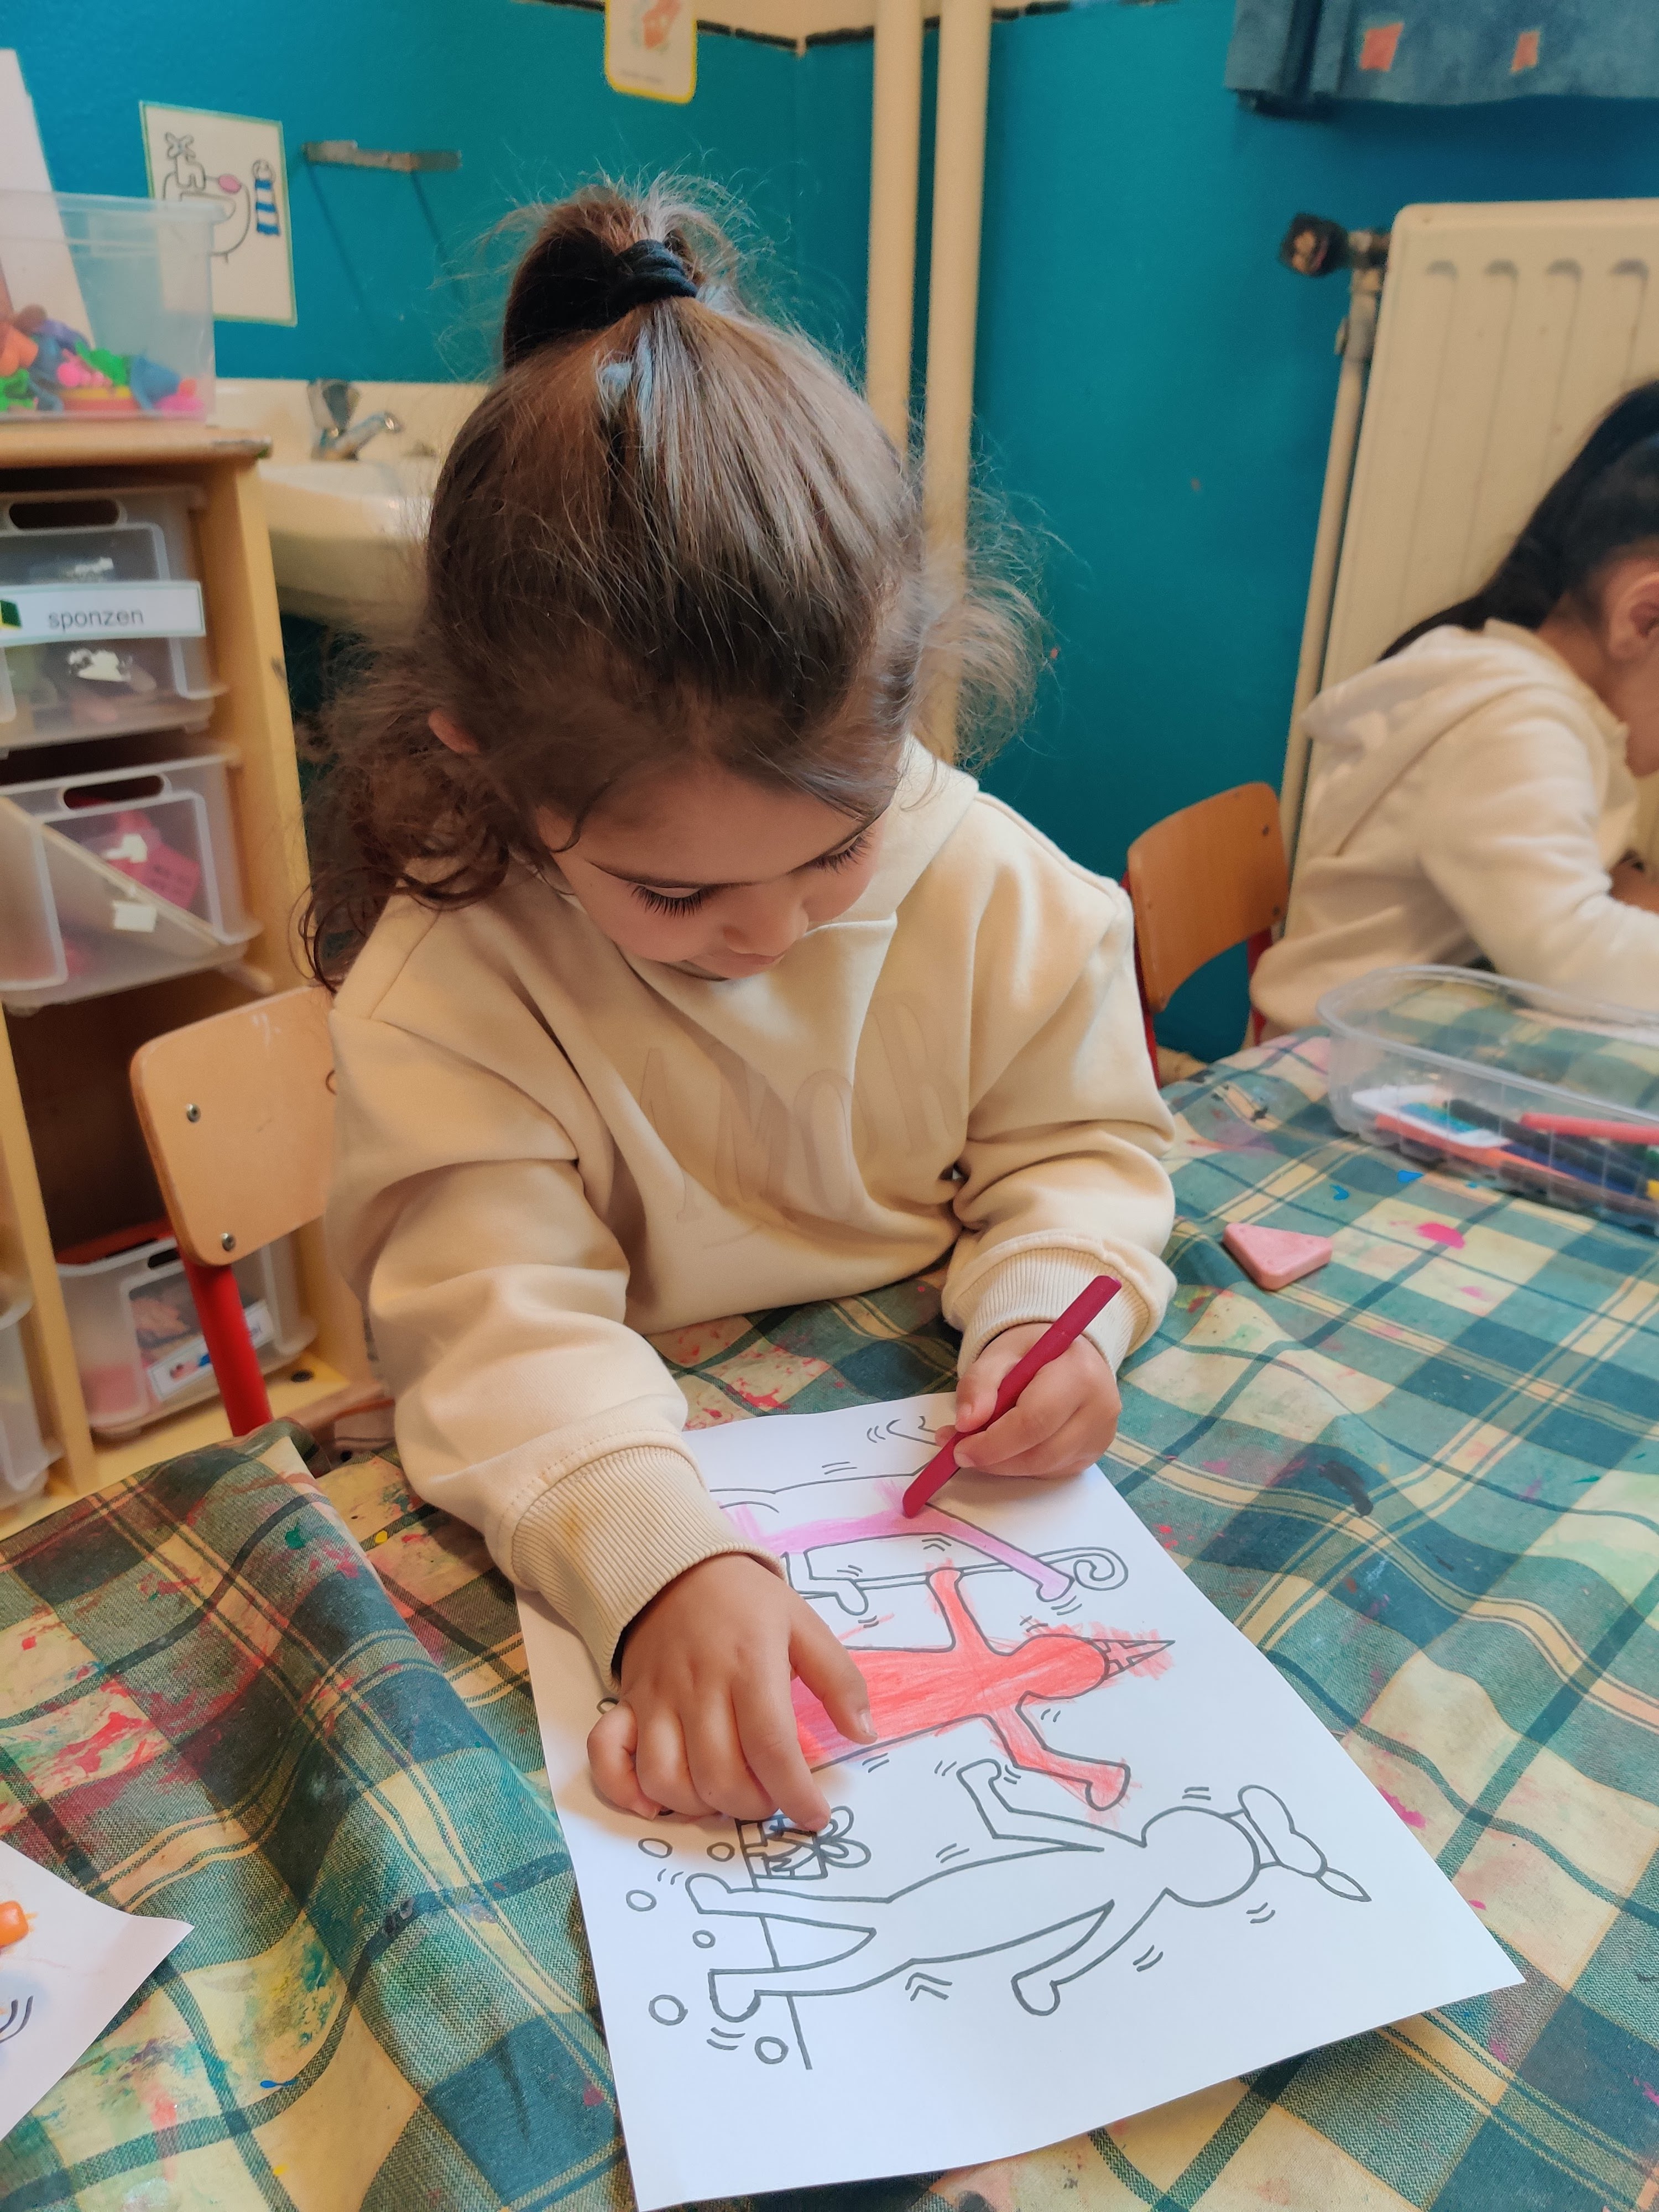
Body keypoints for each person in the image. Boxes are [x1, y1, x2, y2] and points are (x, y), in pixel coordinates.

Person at [312, 183, 1175, 1838]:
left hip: (904, 1417)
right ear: (488, 762)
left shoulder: (997, 889)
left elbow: (1078, 1148)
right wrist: (657, 1565)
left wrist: (1049, 1312)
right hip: (605, 1457)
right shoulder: (453, 982)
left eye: (838, 848)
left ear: (904, 710)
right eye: (673, 893)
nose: (770, 933)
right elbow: (497, 1320)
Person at [1253, 382, 1659, 1033]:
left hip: (1402, 1039)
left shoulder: (1523, 697)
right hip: (1328, 1062)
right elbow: (1573, 956)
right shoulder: (1515, 725)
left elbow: (1583, 892)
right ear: (1644, 618)